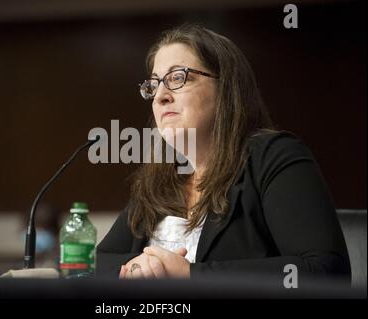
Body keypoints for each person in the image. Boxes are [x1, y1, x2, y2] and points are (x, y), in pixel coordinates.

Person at [95, 24, 351, 283]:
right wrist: (139, 267)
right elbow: (104, 261)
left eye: (177, 78)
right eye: (154, 84)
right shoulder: (160, 177)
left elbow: (325, 271)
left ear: (225, 88)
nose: (160, 95)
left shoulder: (274, 156)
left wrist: (190, 275)